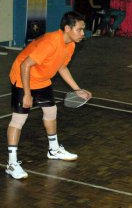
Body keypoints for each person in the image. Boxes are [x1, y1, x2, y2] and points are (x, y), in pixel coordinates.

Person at [5, 11, 92, 179]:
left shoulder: (70, 45)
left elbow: (61, 67)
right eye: (80, 29)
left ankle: (53, 149)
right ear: (67, 28)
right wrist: (27, 94)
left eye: (83, 30)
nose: (83, 33)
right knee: (19, 119)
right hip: (23, 77)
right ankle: (12, 163)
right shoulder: (51, 42)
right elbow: (25, 65)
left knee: (51, 111)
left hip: (42, 78)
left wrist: (77, 89)